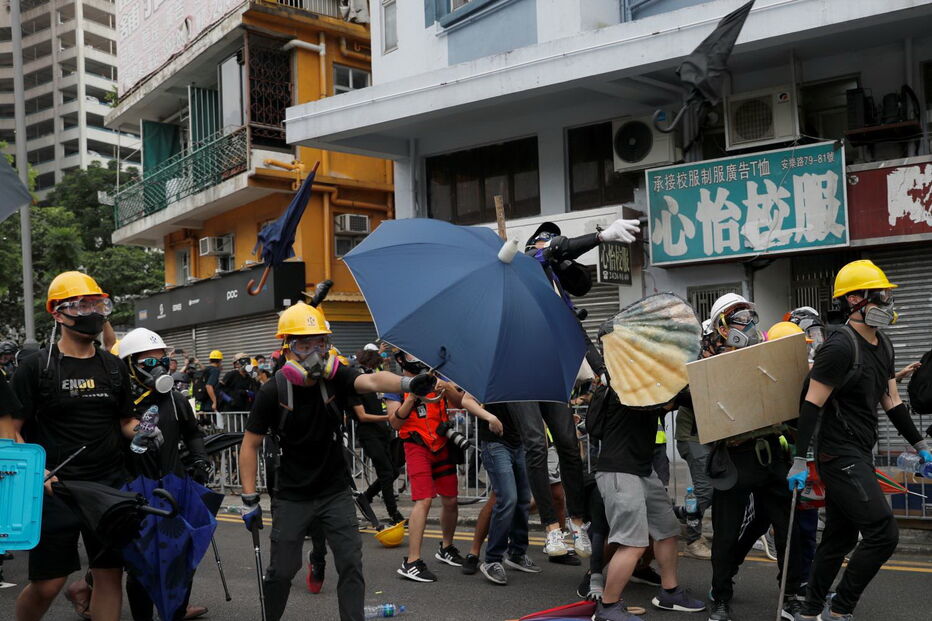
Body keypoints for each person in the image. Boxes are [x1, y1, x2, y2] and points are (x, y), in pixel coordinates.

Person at [238, 302, 436, 621]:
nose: (315, 352)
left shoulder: (336, 378)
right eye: (305, 344)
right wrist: (249, 498)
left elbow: (370, 382)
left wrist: (408, 384)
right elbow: (250, 445)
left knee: (350, 565)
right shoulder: (272, 390)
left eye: (321, 343)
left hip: (335, 491)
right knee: (282, 570)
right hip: (291, 495)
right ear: (287, 348)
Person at [790, 260, 932, 621]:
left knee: (839, 537)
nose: (887, 302)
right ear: (855, 300)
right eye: (880, 295)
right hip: (838, 455)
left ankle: (809, 612)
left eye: (886, 295)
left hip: (860, 452)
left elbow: (891, 401)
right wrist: (798, 458)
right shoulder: (839, 347)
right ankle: (841, 609)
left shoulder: (883, 343)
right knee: (884, 532)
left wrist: (921, 447)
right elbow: (811, 405)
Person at [6, 271, 139, 621]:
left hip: (108, 487)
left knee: (110, 576)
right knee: (48, 583)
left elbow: (126, 421)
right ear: (57, 313)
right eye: (81, 305)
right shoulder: (36, 368)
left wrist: (143, 431)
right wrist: (40, 472)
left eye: (97, 303)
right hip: (55, 490)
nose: (91, 311)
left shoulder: (113, 367)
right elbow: (10, 431)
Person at [516, 219, 639, 560]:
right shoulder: (524, 264)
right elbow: (553, 248)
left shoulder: (558, 292)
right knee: (536, 446)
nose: (550, 248)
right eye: (546, 243)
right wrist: (601, 237)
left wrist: (603, 372)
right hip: (518, 373)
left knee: (570, 446)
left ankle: (577, 522)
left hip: (549, 374)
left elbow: (577, 333)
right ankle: (551, 530)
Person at [703, 293, 802, 621]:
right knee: (726, 534)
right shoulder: (705, 361)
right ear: (722, 326)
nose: (750, 325)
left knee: (788, 529)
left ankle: (790, 595)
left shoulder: (767, 356)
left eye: (750, 318)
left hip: (772, 455)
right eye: (740, 319)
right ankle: (720, 596)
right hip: (734, 458)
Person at [591, 382, 705, 621]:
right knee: (632, 543)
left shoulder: (654, 383)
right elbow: (656, 400)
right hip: (619, 471)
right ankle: (608, 607)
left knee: (667, 530)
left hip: (643, 470)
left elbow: (690, 398)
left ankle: (669, 593)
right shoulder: (625, 384)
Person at [387, 351, 465, 583]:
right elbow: (394, 421)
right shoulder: (394, 384)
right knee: (424, 500)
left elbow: (460, 402)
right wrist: (411, 396)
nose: (417, 358)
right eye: (410, 354)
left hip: (441, 443)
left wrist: (447, 387)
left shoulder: (436, 377)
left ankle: (447, 547)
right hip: (416, 445)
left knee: (450, 499)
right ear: (401, 358)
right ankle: (411, 561)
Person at [473, 401, 542, 585]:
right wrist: (489, 417)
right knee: (508, 498)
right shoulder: (490, 374)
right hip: (496, 444)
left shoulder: (522, 380)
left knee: (522, 500)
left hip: (519, 444)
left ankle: (517, 553)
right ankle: (492, 560)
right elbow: (466, 400)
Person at [350, 349, 404, 524]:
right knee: (386, 473)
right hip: (368, 434)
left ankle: (365, 496)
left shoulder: (376, 381)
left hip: (382, 432)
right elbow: (362, 416)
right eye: (374, 365)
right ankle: (393, 514)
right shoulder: (357, 385)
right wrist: (388, 417)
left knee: (394, 471)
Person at [195, 351, 223, 415]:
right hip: (209, 405)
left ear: (210, 360)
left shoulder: (207, 369)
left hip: (203, 403)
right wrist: (214, 402)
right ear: (220, 360)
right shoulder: (215, 370)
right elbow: (209, 386)